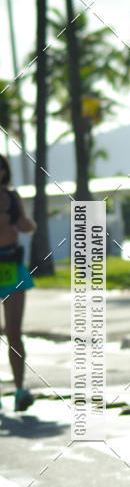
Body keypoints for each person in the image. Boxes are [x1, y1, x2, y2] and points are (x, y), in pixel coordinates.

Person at [0, 154, 36, 412]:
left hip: (12, 265)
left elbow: (26, 225)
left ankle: (20, 389)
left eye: (1, 168)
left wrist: (25, 224)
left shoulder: (13, 197)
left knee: (14, 332)